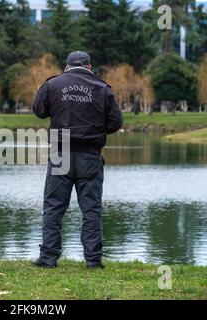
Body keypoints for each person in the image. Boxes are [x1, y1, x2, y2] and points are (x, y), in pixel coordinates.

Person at [31, 51, 123, 270]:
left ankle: (48, 258)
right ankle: (93, 261)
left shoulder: (53, 84)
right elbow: (115, 123)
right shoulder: (102, 89)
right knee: (91, 210)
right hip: (90, 155)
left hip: (61, 153)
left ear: (66, 67)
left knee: (53, 207)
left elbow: (39, 110)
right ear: (90, 67)